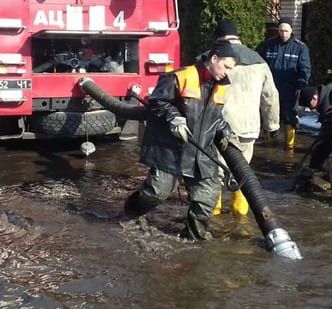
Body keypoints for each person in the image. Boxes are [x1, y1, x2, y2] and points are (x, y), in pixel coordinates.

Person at [124, 40, 238, 240]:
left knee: (207, 197)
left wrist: (225, 129)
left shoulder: (221, 86)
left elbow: (213, 116)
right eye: (226, 66)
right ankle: (129, 213)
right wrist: (173, 117)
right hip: (171, 150)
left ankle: (194, 237)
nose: (227, 72)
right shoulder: (181, 76)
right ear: (214, 59)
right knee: (156, 193)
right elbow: (157, 102)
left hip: (201, 154)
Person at [209, 19, 279, 216]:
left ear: (218, 37)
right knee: (242, 170)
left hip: (217, 126)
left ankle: (213, 216)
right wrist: (272, 125)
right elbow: (270, 95)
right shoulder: (258, 60)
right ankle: (240, 217)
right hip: (248, 127)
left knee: (216, 172)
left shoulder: (212, 58)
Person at [257, 18, 311, 151]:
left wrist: (300, 86)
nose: (283, 34)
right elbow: (260, 64)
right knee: (270, 115)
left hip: (290, 89)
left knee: (289, 117)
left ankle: (289, 146)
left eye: (286, 31)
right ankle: (269, 146)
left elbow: (305, 69)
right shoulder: (269, 45)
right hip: (271, 88)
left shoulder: (300, 48)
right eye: (281, 31)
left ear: (291, 30)